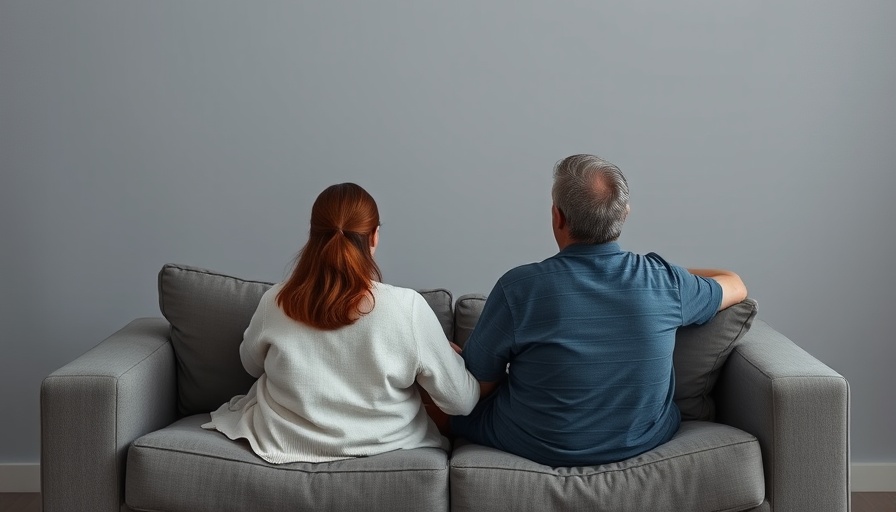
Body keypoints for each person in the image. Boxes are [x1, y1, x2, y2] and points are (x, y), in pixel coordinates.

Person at [451, 154, 747, 467]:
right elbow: (735, 284)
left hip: (537, 443)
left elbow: (475, 388)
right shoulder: (664, 282)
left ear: (558, 217)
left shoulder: (519, 288)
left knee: (442, 404)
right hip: (642, 440)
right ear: (625, 215)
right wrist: (664, 273)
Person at [202, 182, 479, 463]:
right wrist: (444, 354)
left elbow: (250, 365)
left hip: (281, 442)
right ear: (374, 236)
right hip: (388, 447)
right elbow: (461, 402)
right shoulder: (407, 309)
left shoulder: (276, 301)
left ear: (312, 235)